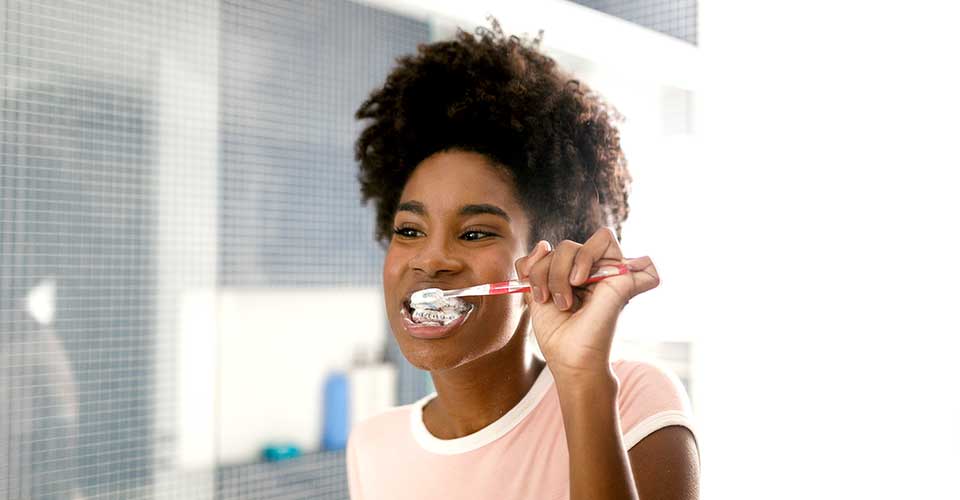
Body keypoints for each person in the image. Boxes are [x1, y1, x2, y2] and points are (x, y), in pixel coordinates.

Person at [347, 20, 699, 500]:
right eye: (409, 230)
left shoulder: (635, 402)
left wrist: (581, 378)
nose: (431, 259)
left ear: (545, 259)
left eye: (474, 233)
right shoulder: (373, 445)